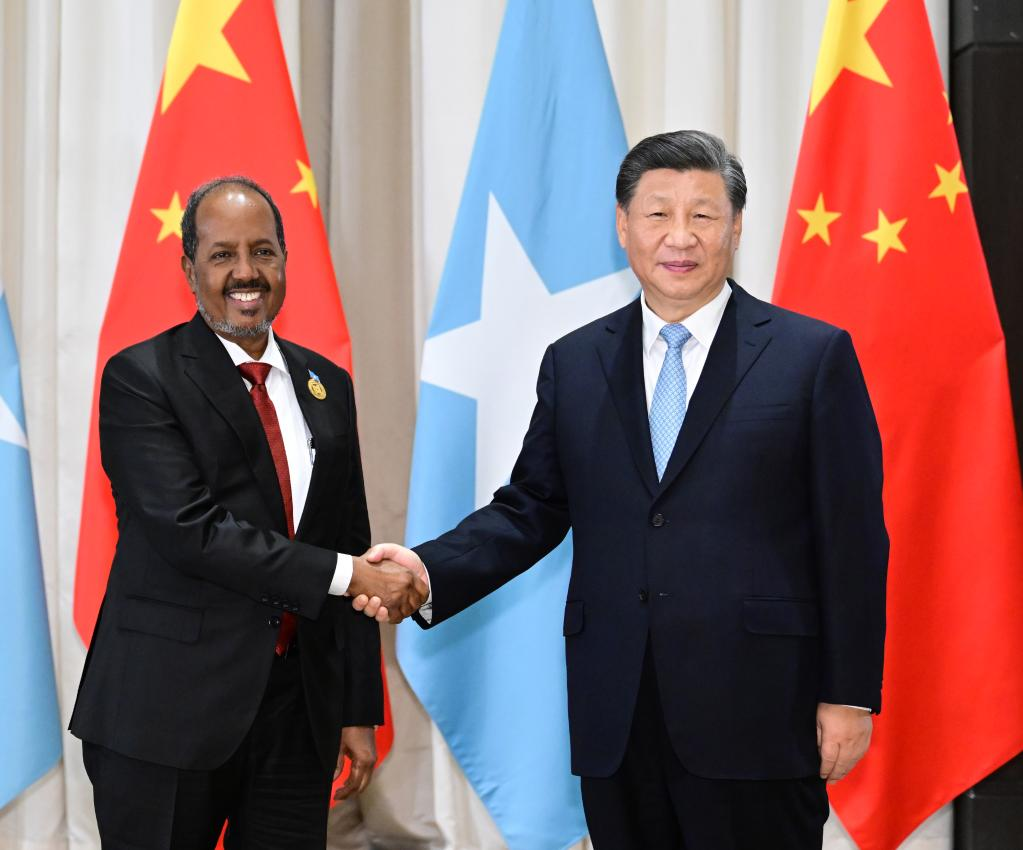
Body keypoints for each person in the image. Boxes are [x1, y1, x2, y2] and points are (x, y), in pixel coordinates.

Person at [361, 131, 888, 849]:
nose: (680, 236)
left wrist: (848, 693)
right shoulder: (576, 362)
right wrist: (428, 569)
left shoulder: (810, 356)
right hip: (618, 711)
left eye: (703, 215)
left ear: (736, 227)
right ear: (622, 225)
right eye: (657, 213)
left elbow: (852, 542)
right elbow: (532, 508)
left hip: (759, 711)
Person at [70, 176, 427, 849]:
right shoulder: (141, 378)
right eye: (222, 255)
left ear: (285, 261)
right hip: (165, 713)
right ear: (189, 269)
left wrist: (356, 709)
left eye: (262, 251)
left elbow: (349, 536)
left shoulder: (327, 385)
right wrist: (350, 574)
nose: (245, 272)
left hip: (297, 716)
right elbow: (193, 532)